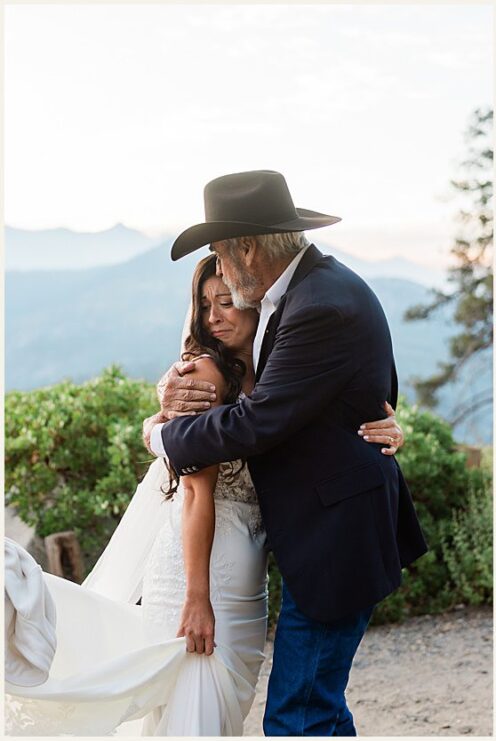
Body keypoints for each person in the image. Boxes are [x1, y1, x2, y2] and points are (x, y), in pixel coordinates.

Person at [4, 251, 406, 735]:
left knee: (261, 707)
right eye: (204, 305)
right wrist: (197, 598)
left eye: (226, 302)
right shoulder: (203, 377)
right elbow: (195, 494)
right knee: (210, 709)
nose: (213, 316)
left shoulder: (273, 365)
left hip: (248, 570)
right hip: (202, 571)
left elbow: (304, 414)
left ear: (256, 305)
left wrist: (380, 429)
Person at [145, 170, 429, 735]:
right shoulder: (307, 293)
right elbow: (356, 392)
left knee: (298, 717)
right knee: (315, 708)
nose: (221, 273)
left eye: (222, 256)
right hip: (321, 532)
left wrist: (158, 437)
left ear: (247, 248)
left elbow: (260, 421)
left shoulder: (320, 304)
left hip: (335, 538)